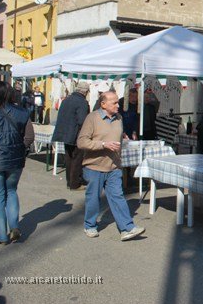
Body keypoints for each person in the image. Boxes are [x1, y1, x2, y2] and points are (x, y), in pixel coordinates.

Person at [77, 91, 145, 240]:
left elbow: (116, 135)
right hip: (94, 166)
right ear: (103, 104)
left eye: (117, 102)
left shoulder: (118, 118)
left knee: (117, 196)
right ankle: (90, 225)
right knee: (93, 198)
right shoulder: (92, 118)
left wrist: (124, 137)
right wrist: (103, 144)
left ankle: (127, 228)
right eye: (114, 102)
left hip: (113, 166)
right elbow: (81, 142)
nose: (118, 105)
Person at [0, 81, 34, 244]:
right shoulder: (22, 112)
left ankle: (1, 237)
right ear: (10, 94)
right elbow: (29, 137)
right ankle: (14, 226)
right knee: (11, 191)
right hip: (15, 160)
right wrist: (21, 149)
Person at [52, 81, 91, 190]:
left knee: (68, 158)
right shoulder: (82, 102)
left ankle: (70, 181)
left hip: (64, 133)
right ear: (86, 92)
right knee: (77, 159)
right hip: (75, 134)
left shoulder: (67, 99)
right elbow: (82, 120)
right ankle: (74, 184)